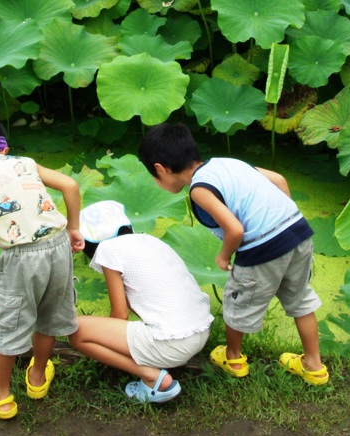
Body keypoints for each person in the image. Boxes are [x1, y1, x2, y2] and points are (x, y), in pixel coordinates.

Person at [138, 122, 328, 385]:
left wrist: (224, 256)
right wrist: (281, 219)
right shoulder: (227, 162)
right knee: (300, 300)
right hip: (297, 232)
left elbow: (235, 230)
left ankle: (233, 358)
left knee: (236, 304)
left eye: (152, 175)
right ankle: (314, 366)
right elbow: (279, 180)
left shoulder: (199, 189)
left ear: (160, 169)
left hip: (262, 248)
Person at [0, 119, 84, 420]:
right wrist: (74, 228)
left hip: (21, 256)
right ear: (4, 149)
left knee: (8, 323)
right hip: (58, 245)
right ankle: (37, 377)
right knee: (49, 314)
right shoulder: (25, 162)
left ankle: (0, 398)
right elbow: (70, 185)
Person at [69, 200, 213, 403]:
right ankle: (154, 362)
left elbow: (120, 314)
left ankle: (153, 377)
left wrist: (106, 339)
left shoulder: (108, 249)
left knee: (76, 331)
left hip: (172, 345)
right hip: (200, 332)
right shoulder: (150, 240)